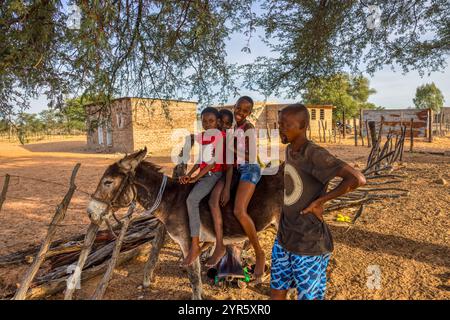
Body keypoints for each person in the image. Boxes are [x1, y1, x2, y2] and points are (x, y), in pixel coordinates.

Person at [271, 104, 366, 300]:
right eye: (279, 124)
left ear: (303, 125)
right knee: (276, 292)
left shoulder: (314, 153)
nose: (280, 129)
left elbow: (357, 179)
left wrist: (321, 201)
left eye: (286, 125)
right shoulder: (290, 149)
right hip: (285, 236)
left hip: (309, 243)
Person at [179, 107, 224, 266]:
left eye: (211, 121)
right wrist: (190, 174)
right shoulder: (204, 137)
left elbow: (212, 163)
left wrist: (196, 177)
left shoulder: (219, 137)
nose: (207, 124)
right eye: (204, 121)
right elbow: (200, 160)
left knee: (192, 200)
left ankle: (195, 245)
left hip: (213, 174)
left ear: (218, 122)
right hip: (203, 174)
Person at [205, 108, 235, 267]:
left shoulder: (227, 139)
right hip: (218, 173)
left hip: (228, 174)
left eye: (227, 124)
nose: (223, 126)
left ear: (231, 125)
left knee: (213, 201)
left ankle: (219, 244)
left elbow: (229, 167)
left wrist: (227, 188)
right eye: (220, 123)